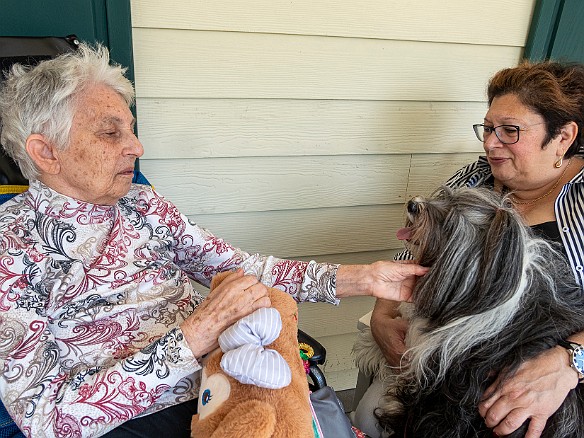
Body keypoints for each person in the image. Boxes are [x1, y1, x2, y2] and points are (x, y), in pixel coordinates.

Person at [0, 44, 427, 438]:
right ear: (46, 152)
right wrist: (194, 336)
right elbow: (45, 417)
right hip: (134, 419)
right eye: (111, 134)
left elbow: (242, 269)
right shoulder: (12, 246)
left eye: (130, 129)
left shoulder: (142, 204)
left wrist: (365, 277)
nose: (137, 147)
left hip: (231, 377)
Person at [357, 59, 584, 438]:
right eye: (489, 128)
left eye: (510, 131)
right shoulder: (475, 176)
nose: (491, 143)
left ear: (563, 136)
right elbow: (413, 252)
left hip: (545, 362)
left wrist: (569, 360)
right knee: (368, 416)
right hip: (449, 354)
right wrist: (382, 316)